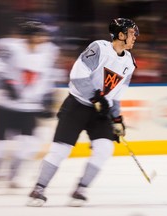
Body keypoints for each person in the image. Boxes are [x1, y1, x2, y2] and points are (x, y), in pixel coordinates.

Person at [27, 17, 139, 206]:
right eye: (132, 33)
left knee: (105, 149)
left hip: (100, 111)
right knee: (60, 150)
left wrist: (117, 118)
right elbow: (77, 76)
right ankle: (38, 189)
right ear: (120, 35)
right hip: (77, 105)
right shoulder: (99, 48)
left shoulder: (129, 62)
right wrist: (96, 98)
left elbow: (117, 95)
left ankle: (80, 189)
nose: (135, 37)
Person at [0, 20, 60, 188]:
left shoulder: (48, 53)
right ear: (27, 36)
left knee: (29, 144)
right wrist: (6, 83)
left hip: (30, 108)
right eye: (38, 34)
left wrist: (49, 98)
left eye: (43, 35)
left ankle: (14, 174)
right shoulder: (10, 48)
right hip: (6, 106)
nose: (42, 38)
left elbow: (49, 77)